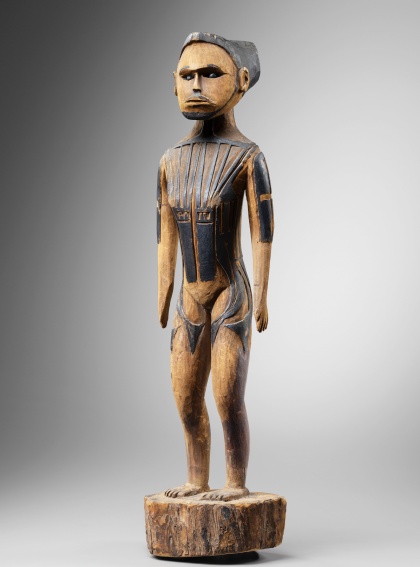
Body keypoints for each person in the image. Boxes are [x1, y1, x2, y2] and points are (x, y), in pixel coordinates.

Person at [157, 32, 274, 502]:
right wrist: (163, 291)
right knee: (187, 401)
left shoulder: (248, 156)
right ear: (173, 83)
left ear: (241, 80)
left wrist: (263, 294)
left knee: (227, 397)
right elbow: (165, 233)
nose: (196, 85)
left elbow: (263, 232)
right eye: (188, 76)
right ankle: (195, 479)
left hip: (231, 294)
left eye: (210, 74)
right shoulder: (170, 161)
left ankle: (236, 482)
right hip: (189, 297)